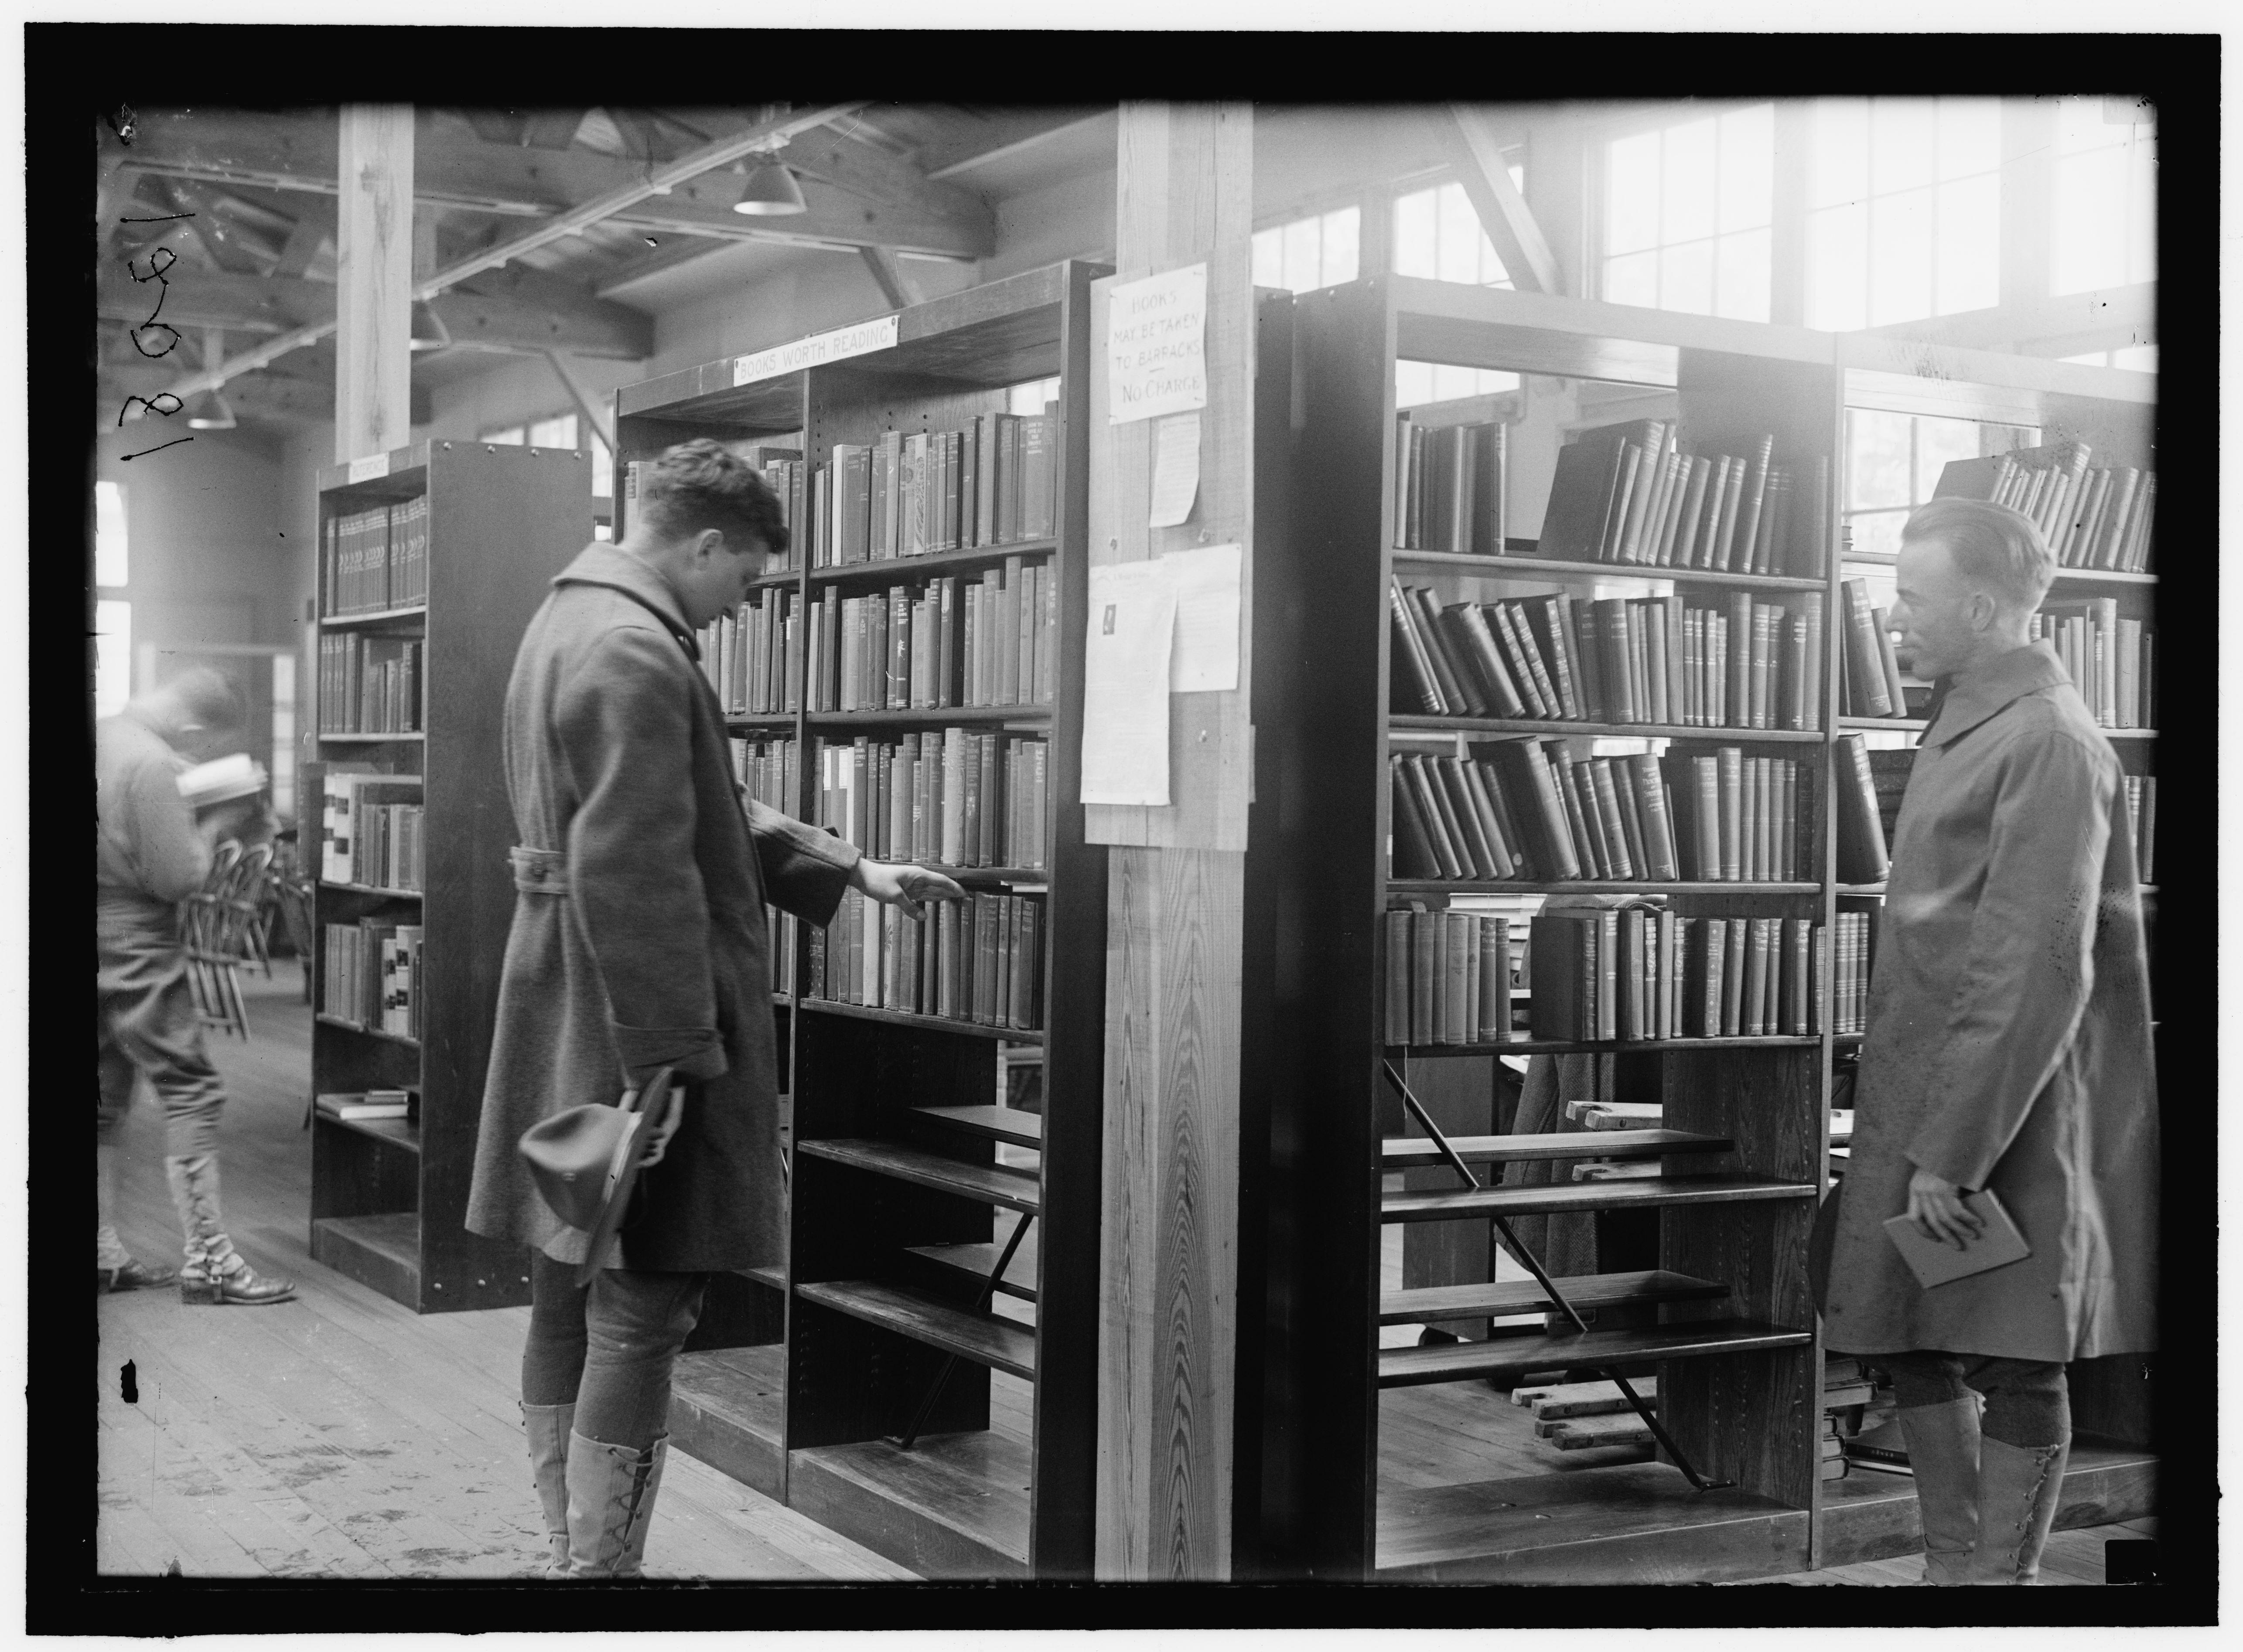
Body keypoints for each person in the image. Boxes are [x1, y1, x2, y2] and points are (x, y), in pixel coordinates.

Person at [465, 439, 963, 1579]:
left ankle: (571, 1558)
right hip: (639, 1013)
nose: (743, 604)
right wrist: (673, 1065)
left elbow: (693, 797)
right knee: (646, 1304)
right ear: (700, 541)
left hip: (562, 995)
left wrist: (848, 867)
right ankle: (601, 1580)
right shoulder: (640, 649)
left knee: (565, 1275)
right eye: (742, 578)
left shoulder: (574, 618)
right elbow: (636, 867)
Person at [1819, 497, 2157, 1585]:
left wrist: (1949, 1156)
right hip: (1931, 1095)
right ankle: (1951, 1573)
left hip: (2000, 1116)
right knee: (1909, 1330)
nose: (1897, 618)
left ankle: (1987, 1590)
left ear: (1975, 605)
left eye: (1912, 599)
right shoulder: (1975, 713)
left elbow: (2036, 967)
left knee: (2014, 1350)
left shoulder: (2049, 739)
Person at [97, 668, 298, 1304]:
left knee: (99, 1102)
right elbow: (178, 878)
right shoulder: (154, 766)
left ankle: (98, 1251)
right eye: (206, 744)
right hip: (136, 944)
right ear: (192, 728)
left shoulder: (102, 735)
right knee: (192, 1093)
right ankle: (210, 1263)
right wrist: (212, 824)